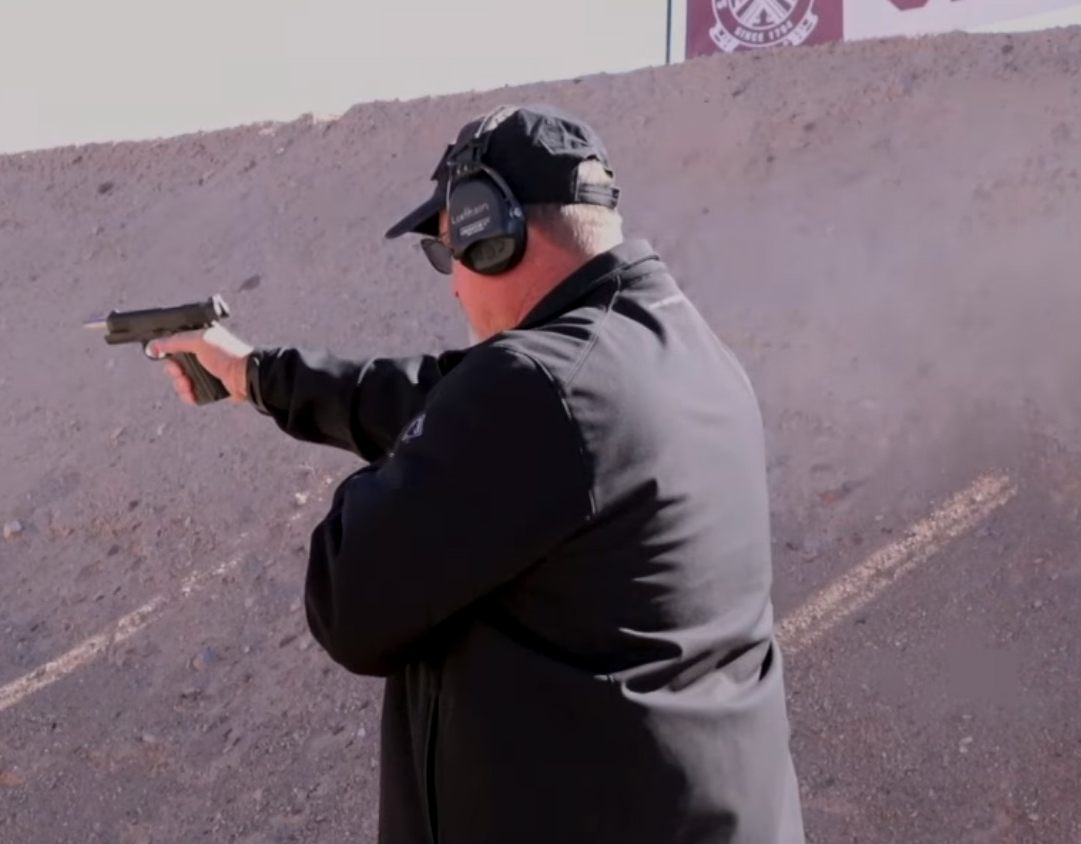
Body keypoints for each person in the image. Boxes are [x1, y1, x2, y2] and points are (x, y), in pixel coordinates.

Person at [146, 103, 806, 844]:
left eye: (447, 251)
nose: (454, 285)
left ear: (490, 232)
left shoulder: (533, 389)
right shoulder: (684, 356)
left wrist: (403, 474)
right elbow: (454, 398)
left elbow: (350, 601)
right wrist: (259, 377)